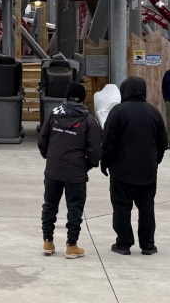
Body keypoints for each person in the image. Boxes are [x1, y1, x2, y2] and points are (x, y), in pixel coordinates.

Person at [101, 77, 167, 255]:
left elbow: (108, 141)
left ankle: (123, 243)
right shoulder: (154, 112)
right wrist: (155, 162)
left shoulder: (118, 112)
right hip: (148, 172)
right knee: (146, 208)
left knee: (122, 207)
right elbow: (163, 143)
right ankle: (148, 244)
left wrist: (105, 162)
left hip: (122, 171)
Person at [38, 82, 102, 259]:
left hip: (53, 169)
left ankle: (48, 241)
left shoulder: (53, 114)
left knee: (49, 205)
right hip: (76, 171)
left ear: (66, 96)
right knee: (75, 207)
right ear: (83, 98)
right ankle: (71, 245)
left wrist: (51, 158)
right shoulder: (89, 120)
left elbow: (42, 140)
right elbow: (95, 150)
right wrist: (88, 164)